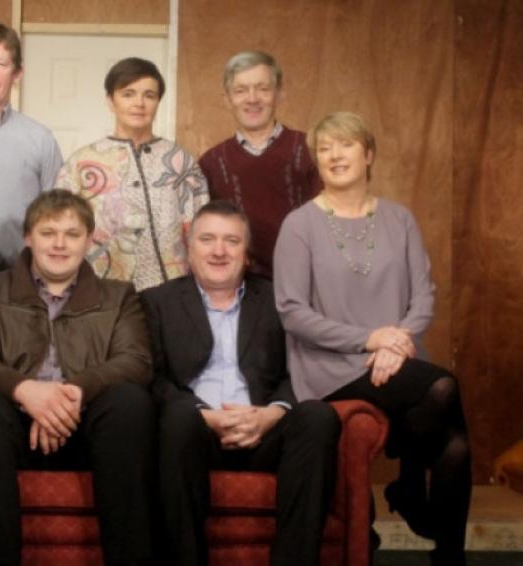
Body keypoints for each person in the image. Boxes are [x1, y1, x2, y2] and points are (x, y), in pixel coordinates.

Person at [273, 111, 471, 566]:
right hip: (331, 366)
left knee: (453, 440)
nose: (335, 155)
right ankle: (412, 486)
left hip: (396, 358)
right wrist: (370, 340)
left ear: (369, 155)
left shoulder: (399, 219)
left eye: (345, 145)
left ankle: (441, 541)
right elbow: (292, 311)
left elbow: (424, 294)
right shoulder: (299, 225)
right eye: (325, 149)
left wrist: (395, 340)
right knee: (443, 391)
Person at [0, 189, 156, 565]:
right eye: (48, 232)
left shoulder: (119, 296)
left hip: (90, 430)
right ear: (28, 237)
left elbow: (135, 360)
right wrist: (26, 391)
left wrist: (71, 392)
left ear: (89, 240)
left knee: (130, 403)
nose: (59, 244)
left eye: (72, 234)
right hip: (13, 430)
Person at [142, 200, 340, 566]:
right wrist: (203, 415)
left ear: (246, 253)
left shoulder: (279, 301)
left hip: (264, 429)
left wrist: (271, 414)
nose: (219, 250)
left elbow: (304, 368)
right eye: (208, 239)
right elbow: (151, 379)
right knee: (177, 419)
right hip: (194, 433)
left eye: (231, 241)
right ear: (189, 248)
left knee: (318, 417)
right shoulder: (156, 302)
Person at [57, 57, 208, 291]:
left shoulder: (181, 162)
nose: (139, 103)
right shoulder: (80, 164)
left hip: (173, 290)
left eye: (149, 95)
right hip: (102, 290)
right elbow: (62, 232)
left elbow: (201, 229)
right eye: (128, 94)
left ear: (158, 102)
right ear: (110, 100)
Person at [199, 51, 320, 279]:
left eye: (262, 89)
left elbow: (330, 224)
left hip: (307, 285)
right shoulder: (210, 164)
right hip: (239, 292)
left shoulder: (313, 150)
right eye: (241, 90)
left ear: (279, 95)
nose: (252, 99)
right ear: (227, 99)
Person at [0, 23, 62, 269]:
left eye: (2, 64)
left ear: (17, 74)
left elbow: (56, 215)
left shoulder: (40, 139)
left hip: (16, 278)